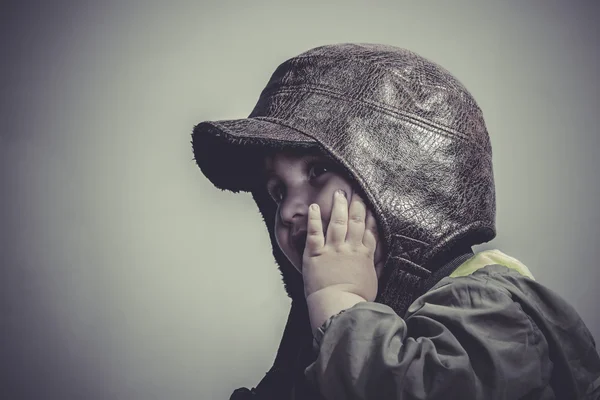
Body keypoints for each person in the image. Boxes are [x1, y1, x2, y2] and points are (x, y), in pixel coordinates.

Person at [191, 43, 600, 399]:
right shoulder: (316, 327)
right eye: (277, 191)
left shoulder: (489, 305)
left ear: (402, 173)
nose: (289, 210)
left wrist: (342, 305)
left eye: (317, 171)